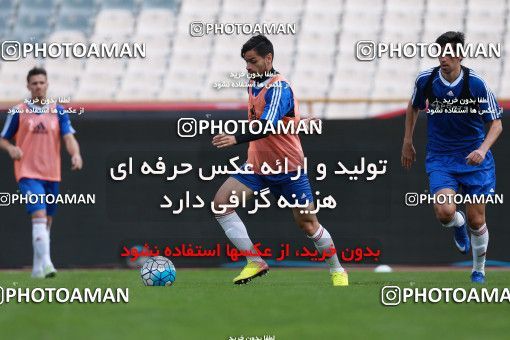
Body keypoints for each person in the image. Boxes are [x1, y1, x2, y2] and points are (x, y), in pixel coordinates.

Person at [212, 35, 348, 286]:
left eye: (252, 61)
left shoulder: (279, 88)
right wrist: (297, 122)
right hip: (257, 164)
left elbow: (267, 125)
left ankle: (337, 270)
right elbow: (278, 121)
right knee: (221, 204)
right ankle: (254, 261)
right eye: (245, 62)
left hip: (288, 167)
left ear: (269, 59)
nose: (248, 67)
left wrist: (236, 138)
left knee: (308, 225)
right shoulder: (255, 84)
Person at [401, 32, 502, 283]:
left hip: (473, 159)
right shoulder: (426, 80)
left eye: (448, 53)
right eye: (439, 53)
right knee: (445, 211)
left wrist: (482, 149)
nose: (442, 58)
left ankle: (478, 269)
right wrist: (407, 141)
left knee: (477, 219)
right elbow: (414, 106)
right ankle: (457, 224)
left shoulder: (475, 83)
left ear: (460, 56)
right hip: (441, 157)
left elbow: (496, 125)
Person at [0, 67, 83, 278]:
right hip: (28, 172)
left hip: (51, 173)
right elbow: (3, 138)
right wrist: (11, 148)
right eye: (34, 83)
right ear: (28, 86)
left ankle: (37, 270)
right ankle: (47, 264)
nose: (38, 86)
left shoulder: (58, 111)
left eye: (41, 82)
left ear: (47, 85)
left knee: (46, 222)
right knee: (38, 215)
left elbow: (68, 137)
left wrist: (75, 154)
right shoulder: (18, 111)